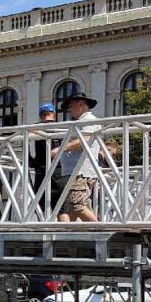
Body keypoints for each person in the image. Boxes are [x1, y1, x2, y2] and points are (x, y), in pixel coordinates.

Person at [51, 94, 102, 222]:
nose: (70, 109)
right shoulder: (80, 122)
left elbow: (84, 140)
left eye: (72, 106)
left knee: (76, 206)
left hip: (81, 171)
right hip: (74, 171)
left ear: (82, 105)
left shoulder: (88, 120)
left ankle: (100, 229)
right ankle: (70, 236)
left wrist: (62, 148)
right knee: (70, 208)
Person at [29, 103, 69, 221]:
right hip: (59, 168)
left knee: (40, 204)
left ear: (41, 116)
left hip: (41, 169)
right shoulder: (60, 127)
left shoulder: (35, 128)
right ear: (54, 115)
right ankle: (65, 234)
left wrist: (31, 161)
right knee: (61, 207)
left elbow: (25, 140)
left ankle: (43, 232)